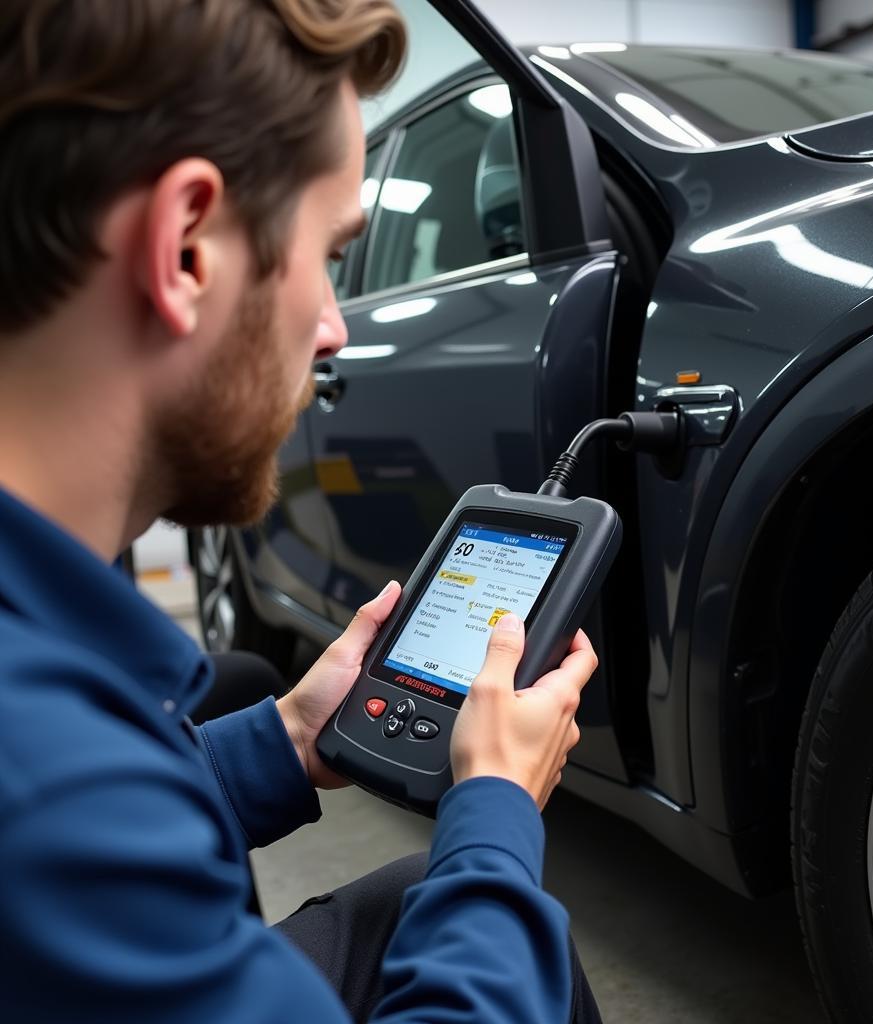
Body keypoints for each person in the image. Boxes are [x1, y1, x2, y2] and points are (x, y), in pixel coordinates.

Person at [0, 2, 603, 1021]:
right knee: (485, 907)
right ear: (186, 246)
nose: (333, 328)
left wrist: (284, 738)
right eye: (328, 250)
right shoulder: (53, 780)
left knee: (417, 891)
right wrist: (494, 813)